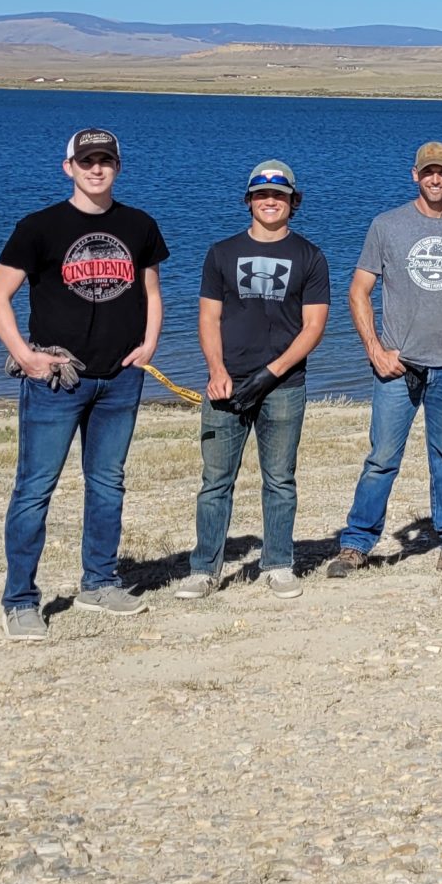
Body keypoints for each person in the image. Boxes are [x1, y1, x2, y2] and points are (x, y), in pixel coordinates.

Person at [0, 126, 170, 639]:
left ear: (117, 166)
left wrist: (148, 346)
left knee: (107, 485)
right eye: (86, 161)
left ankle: (99, 582)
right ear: (68, 167)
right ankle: (20, 600)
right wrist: (25, 356)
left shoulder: (139, 225)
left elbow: (152, 291)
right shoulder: (38, 227)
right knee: (34, 489)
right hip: (55, 382)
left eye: (105, 160)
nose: (96, 169)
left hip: (120, 379)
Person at [331, 143, 442, 577]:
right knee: (382, 458)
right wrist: (375, 350)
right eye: (428, 172)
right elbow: (358, 291)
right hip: (398, 366)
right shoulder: (387, 226)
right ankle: (356, 545)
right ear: (415, 175)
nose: (435, 179)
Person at [176, 161, 331, 600]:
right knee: (215, 481)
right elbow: (209, 317)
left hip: (283, 387)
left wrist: (271, 373)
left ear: (293, 203)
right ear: (248, 200)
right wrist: (218, 371)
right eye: (262, 194)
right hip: (226, 386)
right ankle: (204, 569)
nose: (270, 201)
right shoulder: (221, 253)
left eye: (279, 196)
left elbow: (314, 326)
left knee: (279, 479)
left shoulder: (310, 256)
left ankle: (278, 563)